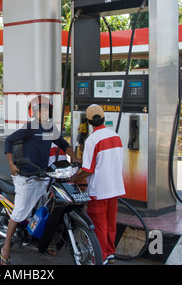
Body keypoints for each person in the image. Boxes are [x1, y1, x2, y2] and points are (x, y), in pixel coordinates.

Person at [0, 95, 79, 265]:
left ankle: (46, 241)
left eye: (46, 109)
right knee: (19, 213)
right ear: (34, 112)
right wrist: (11, 164)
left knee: (48, 210)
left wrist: (74, 157)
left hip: (43, 177)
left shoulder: (49, 128)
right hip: (27, 177)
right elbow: (9, 140)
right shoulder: (30, 127)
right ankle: (5, 248)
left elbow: (63, 144)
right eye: (40, 109)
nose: (43, 112)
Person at [72, 104, 125, 265]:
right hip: (115, 188)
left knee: (98, 224)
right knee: (110, 223)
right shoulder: (115, 136)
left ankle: (100, 256)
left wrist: (74, 179)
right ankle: (110, 254)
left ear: (88, 122)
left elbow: (88, 170)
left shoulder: (92, 140)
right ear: (103, 118)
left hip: (99, 190)